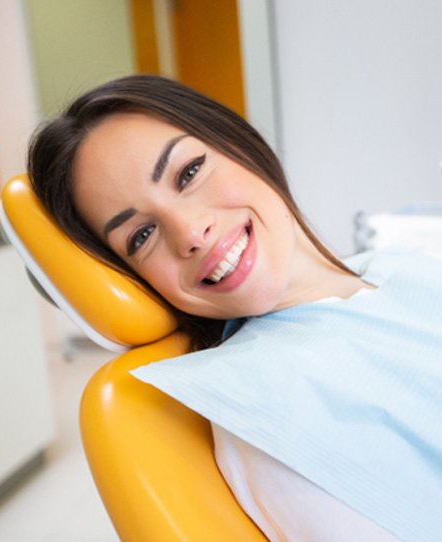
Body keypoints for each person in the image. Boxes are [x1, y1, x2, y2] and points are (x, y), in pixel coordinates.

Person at [28, 75, 441, 541]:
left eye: (187, 173)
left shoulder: (396, 265)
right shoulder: (268, 404)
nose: (190, 232)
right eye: (141, 237)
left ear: (237, 142)